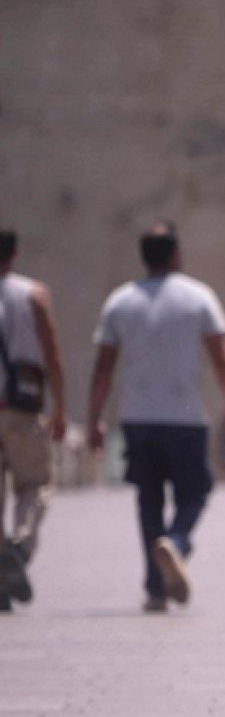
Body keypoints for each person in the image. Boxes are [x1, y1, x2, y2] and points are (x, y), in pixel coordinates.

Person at [87, 221, 225, 613]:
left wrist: (93, 419)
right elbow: (222, 360)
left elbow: (103, 368)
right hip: (186, 414)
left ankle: (156, 589)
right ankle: (176, 543)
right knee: (196, 491)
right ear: (176, 254)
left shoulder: (120, 301)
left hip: (136, 417)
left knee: (148, 499)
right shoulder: (198, 297)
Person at [0, 228, 67, 612]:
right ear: (15, 252)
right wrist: (59, 409)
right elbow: (53, 355)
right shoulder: (33, 295)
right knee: (35, 485)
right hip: (22, 409)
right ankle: (19, 547)